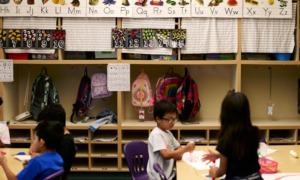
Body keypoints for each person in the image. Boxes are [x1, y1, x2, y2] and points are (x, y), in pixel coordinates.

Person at [202, 90, 262, 180]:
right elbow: (243, 153)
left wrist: (213, 172)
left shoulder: (226, 138)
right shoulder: (254, 132)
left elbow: (221, 171)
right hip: (256, 177)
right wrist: (219, 155)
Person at [147, 100, 195, 180]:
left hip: (169, 172)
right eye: (169, 119)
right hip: (159, 176)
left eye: (174, 119)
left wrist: (179, 153)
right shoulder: (156, 135)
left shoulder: (168, 132)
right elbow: (165, 155)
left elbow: (178, 147)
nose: (173, 123)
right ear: (158, 119)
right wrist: (185, 150)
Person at [0, 120, 64, 179]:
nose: (33, 141)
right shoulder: (58, 157)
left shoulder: (37, 162)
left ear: (42, 142)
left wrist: (3, 164)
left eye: (35, 138)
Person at [30, 104, 77, 180]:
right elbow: (32, 151)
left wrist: (39, 156)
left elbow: (56, 166)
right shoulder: (55, 137)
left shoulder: (65, 142)